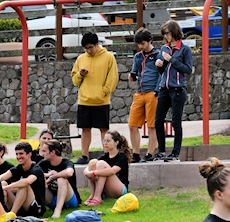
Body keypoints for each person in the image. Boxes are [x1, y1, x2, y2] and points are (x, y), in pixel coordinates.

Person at [71, 31, 119, 165]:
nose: (89, 50)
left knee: (103, 129)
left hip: (101, 100)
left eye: (91, 47)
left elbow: (113, 77)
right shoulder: (81, 59)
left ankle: (106, 155)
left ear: (97, 44)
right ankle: (84, 156)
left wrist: (105, 91)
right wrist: (80, 74)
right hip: (84, 100)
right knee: (85, 129)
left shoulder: (108, 57)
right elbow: (75, 81)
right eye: (86, 48)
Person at [153, 20, 193, 162]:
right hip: (164, 89)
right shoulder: (164, 48)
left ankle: (175, 154)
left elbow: (188, 70)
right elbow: (162, 70)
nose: (166, 36)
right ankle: (162, 151)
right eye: (164, 34)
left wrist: (171, 60)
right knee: (158, 121)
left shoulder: (185, 49)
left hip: (177, 90)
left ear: (174, 32)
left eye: (167, 33)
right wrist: (159, 65)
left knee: (176, 123)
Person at [127, 28, 160, 163]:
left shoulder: (158, 54)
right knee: (132, 125)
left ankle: (150, 153)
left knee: (152, 125)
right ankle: (135, 153)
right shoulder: (138, 56)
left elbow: (161, 74)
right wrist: (131, 76)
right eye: (139, 44)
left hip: (152, 92)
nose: (141, 47)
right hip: (139, 92)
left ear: (149, 41)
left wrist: (157, 91)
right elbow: (134, 72)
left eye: (143, 44)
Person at [0, 141, 46, 219]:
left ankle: (11, 216)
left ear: (29, 154)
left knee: (24, 185)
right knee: (3, 183)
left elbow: (28, 181)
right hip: (21, 206)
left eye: (21, 154)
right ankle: (2, 213)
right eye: (17, 154)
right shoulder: (18, 168)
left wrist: (8, 187)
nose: (18, 156)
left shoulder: (36, 169)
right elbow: (0, 178)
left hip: (36, 208)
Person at [83, 130, 130, 206]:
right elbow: (88, 167)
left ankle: (97, 197)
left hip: (120, 189)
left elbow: (113, 171)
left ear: (116, 142)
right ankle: (92, 195)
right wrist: (87, 172)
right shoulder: (104, 156)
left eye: (108, 141)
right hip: (107, 190)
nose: (105, 143)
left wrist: (94, 173)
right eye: (104, 141)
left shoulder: (122, 157)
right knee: (93, 162)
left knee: (101, 164)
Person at [38, 139, 81, 219]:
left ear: (53, 152)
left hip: (70, 200)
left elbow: (69, 173)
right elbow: (32, 173)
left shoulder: (66, 162)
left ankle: (58, 210)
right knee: (37, 180)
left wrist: (53, 177)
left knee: (61, 179)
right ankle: (36, 208)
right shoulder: (44, 163)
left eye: (44, 151)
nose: (42, 154)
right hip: (53, 199)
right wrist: (47, 175)